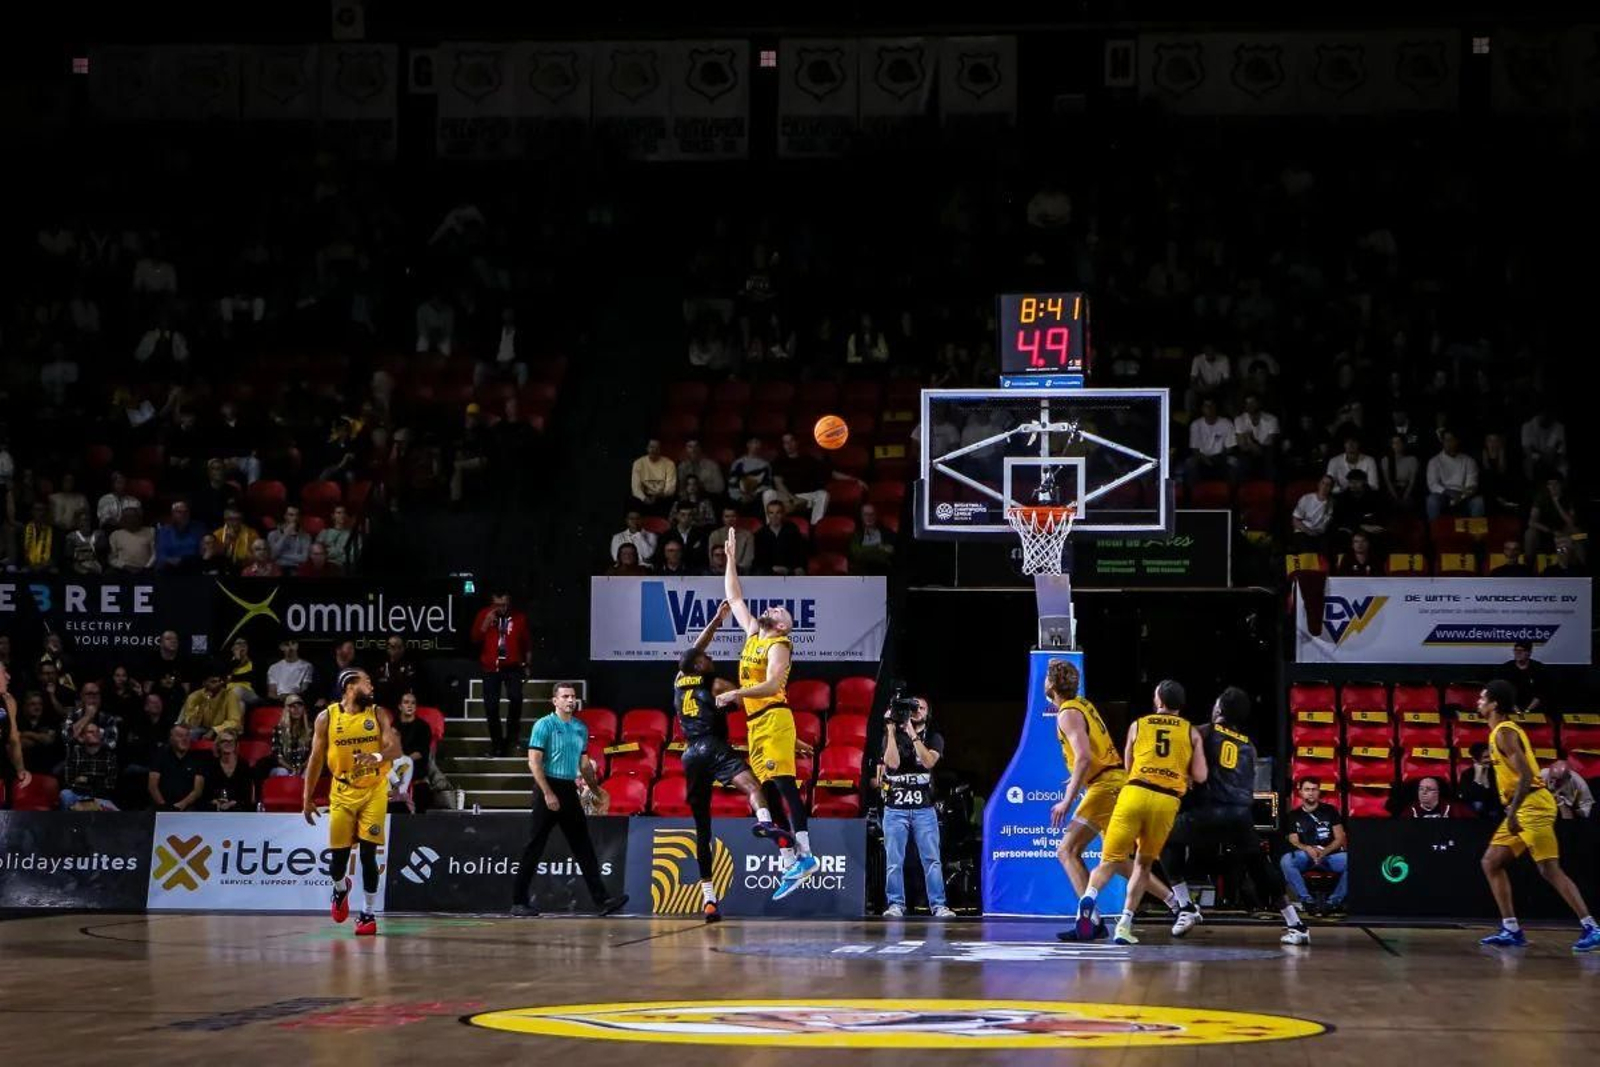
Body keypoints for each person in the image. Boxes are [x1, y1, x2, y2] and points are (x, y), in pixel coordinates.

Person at [1159, 687, 1311, 944]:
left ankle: (1185, 907)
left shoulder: (1202, 731)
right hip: (1240, 815)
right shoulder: (1249, 745)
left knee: (1164, 839)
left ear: (1218, 709)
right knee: (1260, 866)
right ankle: (1296, 924)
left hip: (1207, 812)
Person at [673, 601, 793, 922]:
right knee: (754, 786)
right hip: (714, 747)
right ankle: (768, 825)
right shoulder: (716, 684)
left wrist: (714, 622)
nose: (711, 657)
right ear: (699, 666)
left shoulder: (678, 680)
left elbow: (693, 651)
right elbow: (746, 701)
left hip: (689, 754)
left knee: (702, 827)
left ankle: (709, 899)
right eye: (707, 659)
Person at [716, 526, 819, 898]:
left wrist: (735, 694)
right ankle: (790, 859)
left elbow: (774, 686)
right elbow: (734, 595)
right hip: (756, 725)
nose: (773, 608)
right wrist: (730, 560)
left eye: (779, 611)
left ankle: (806, 852)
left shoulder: (780, 644)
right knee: (768, 791)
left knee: (783, 786)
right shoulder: (752, 635)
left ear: (781, 626)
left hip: (775, 716)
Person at [1071, 680, 1206, 945]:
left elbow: (1130, 766)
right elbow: (1200, 776)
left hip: (1134, 793)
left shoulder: (1139, 725)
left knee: (1109, 860)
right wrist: (1184, 774)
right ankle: (1124, 926)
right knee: (1143, 865)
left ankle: (1088, 899)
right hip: (1166, 800)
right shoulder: (1191, 732)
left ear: (1159, 701)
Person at [1476, 680, 1600, 951]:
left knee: (1549, 869)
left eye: (1483, 698)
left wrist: (1513, 811)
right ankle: (1511, 929)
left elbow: (1528, 776)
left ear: (1495, 704)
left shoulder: (1504, 733)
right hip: (1520, 806)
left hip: (1532, 804)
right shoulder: (1497, 732)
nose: (1478, 701)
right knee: (1491, 862)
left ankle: (1591, 926)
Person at [510, 683, 629, 917]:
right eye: (564, 696)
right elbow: (534, 762)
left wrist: (595, 790)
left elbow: (584, 765)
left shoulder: (579, 728)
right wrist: (547, 792)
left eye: (573, 696)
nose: (570, 700)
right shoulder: (544, 725)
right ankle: (518, 901)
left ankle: (602, 900)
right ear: (554, 701)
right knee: (534, 846)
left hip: (568, 788)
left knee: (583, 846)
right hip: (548, 786)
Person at [302, 669, 401, 938]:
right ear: (349, 686)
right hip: (343, 791)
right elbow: (316, 759)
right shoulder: (327, 717)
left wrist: (378, 755)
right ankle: (340, 887)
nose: (371, 686)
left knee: (369, 854)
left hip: (374, 789)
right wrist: (307, 797)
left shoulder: (378, 713)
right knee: (338, 862)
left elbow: (395, 749)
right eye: (366, 681)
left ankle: (368, 914)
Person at [1045, 660, 1129, 940]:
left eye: (1047, 678)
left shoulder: (1068, 713)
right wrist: (1077, 779)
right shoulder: (1082, 704)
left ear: (1051, 685)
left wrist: (1066, 801)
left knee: (1066, 850)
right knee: (1120, 859)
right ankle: (1176, 901)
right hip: (1111, 780)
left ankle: (1090, 920)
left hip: (1106, 786)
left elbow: (1084, 756)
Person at [875, 695, 955, 919]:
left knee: (931, 859)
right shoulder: (893, 737)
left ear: (927, 713)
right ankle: (895, 905)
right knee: (894, 861)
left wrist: (913, 734)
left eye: (921, 708)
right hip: (895, 809)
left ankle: (939, 905)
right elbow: (892, 764)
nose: (917, 710)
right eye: (913, 707)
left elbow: (929, 762)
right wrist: (891, 731)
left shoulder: (934, 737)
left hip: (924, 809)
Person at [472, 592, 532, 756]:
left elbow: (526, 643)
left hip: (512, 667)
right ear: (492, 603)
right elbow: (475, 639)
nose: (501, 608)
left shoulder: (519, 618)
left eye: (504, 605)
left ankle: (512, 740)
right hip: (491, 668)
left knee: (516, 698)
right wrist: (485, 623)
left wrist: (527, 664)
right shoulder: (484, 615)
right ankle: (497, 745)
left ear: (509, 603)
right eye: (497, 605)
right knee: (491, 706)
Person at [1280, 778, 1349, 915]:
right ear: (1300, 793)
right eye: (1307, 790)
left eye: (1314, 789)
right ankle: (1307, 901)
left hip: (1330, 856)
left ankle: (1333, 902)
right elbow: (1294, 840)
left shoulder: (1330, 811)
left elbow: (1340, 838)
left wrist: (1324, 852)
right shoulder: (1294, 815)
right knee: (1286, 861)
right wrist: (1308, 849)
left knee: (1355, 862)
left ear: (1319, 792)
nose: (1310, 793)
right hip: (1306, 856)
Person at [147, 723, 206, 812]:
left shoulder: (197, 759)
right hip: (161, 805)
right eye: (180, 736)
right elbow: (152, 786)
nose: (185, 739)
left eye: (187, 736)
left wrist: (181, 805)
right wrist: (164, 806)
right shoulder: (160, 756)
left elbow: (197, 791)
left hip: (186, 807)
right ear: (171, 739)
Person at [180, 667, 244, 740]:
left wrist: (214, 730)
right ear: (204, 683)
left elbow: (234, 722)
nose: (218, 684)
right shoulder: (194, 697)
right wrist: (203, 703)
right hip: (202, 728)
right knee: (190, 733)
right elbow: (190, 723)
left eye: (219, 681)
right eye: (213, 682)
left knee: (227, 735)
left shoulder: (229, 695)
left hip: (223, 729)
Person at [0, 664, 35, 799]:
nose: (8, 677)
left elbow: (14, 739)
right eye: (4, 673)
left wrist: (21, 769)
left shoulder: (8, 701)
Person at [203, 728, 255, 812]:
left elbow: (247, 796)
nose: (228, 744)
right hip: (216, 809)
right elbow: (207, 794)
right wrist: (216, 802)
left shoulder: (243, 765)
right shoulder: (211, 765)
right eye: (224, 741)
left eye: (231, 741)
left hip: (239, 809)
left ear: (235, 745)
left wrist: (232, 803)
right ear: (218, 745)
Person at [266, 694, 314, 777]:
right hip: (285, 767)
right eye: (292, 706)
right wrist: (291, 768)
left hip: (304, 767)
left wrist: (301, 767)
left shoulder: (310, 729)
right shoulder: (279, 729)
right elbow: (278, 756)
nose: (296, 709)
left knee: (308, 773)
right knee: (282, 772)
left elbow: (313, 753)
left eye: (299, 706)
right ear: (287, 709)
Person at [1496, 641, 1549, 715]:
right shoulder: (1506, 669)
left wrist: (1528, 710)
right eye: (1516, 650)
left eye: (1521, 650)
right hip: (1511, 708)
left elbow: (1540, 694)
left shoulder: (1539, 668)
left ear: (1529, 652)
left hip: (1534, 709)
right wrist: (1515, 709)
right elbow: (1504, 693)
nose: (1518, 653)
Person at [1457, 741, 1504, 820]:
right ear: (1475, 759)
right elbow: (1465, 798)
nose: (1490, 759)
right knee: (1477, 804)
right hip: (1475, 817)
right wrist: (1477, 777)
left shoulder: (1497, 771)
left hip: (1497, 811)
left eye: (1491, 756)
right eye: (1486, 757)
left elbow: (1499, 796)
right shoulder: (1467, 774)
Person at [1401, 776, 1468, 819]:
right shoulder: (1409, 811)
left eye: (1429, 789)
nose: (1424, 792)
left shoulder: (1455, 809)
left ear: (1438, 792)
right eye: (1421, 789)